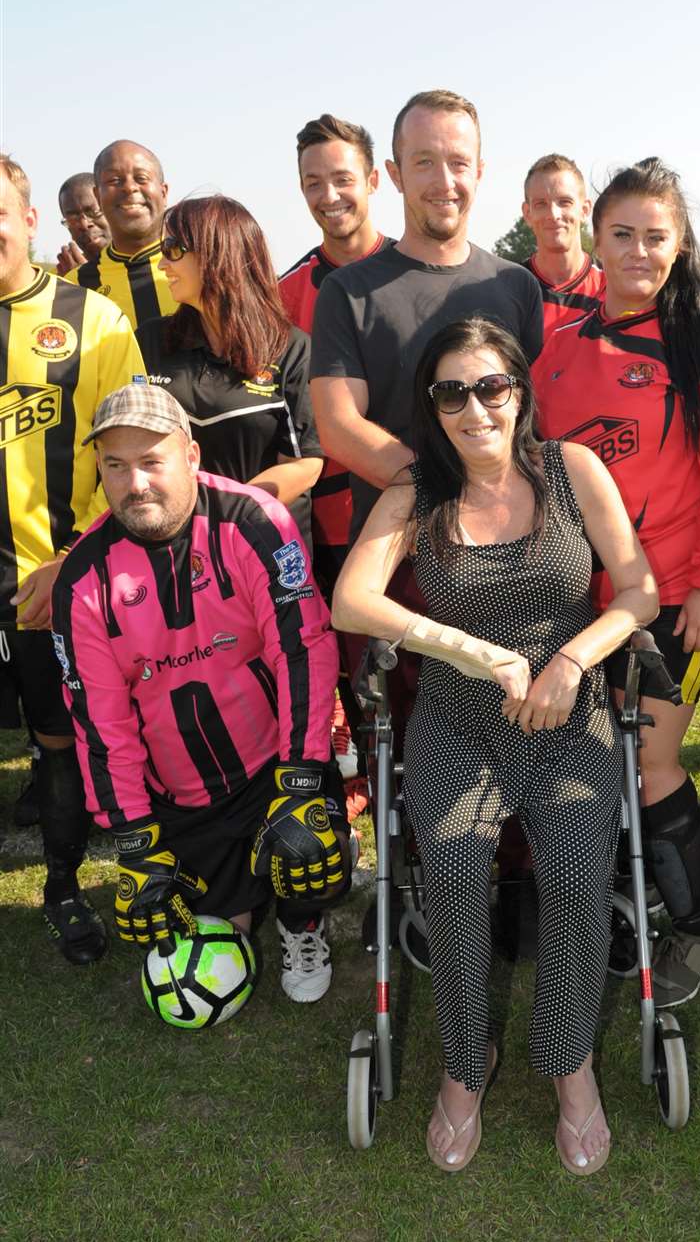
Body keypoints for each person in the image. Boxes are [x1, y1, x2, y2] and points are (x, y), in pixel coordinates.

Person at [333, 316, 657, 1175]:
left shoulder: (572, 470)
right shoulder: (416, 494)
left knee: (580, 869)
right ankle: (465, 1064)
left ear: (519, 390)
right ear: (431, 406)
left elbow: (640, 591)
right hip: (456, 713)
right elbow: (351, 601)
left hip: (565, 706)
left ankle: (570, 1062)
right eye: (451, 392)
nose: (474, 408)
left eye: (491, 386)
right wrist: (470, 649)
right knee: (450, 864)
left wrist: (572, 658)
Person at [535, 158, 700, 1008]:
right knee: (588, 767)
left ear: (679, 243)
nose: (637, 250)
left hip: (671, 597)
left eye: (655, 236)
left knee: (653, 762)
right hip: (575, 603)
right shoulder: (556, 351)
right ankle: (615, 904)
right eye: (621, 234)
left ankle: (697, 928)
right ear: (596, 237)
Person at [51, 385, 350, 1002]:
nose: (135, 484)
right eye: (115, 465)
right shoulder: (81, 579)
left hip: (273, 761)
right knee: (214, 929)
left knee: (310, 863)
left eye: (151, 461)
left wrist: (300, 779)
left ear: (191, 456)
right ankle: (234, 904)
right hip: (184, 791)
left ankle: (304, 923)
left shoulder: (252, 521)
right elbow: (102, 727)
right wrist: (134, 842)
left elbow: (303, 650)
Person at [0, 153, 144, 965]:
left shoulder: (93, 320)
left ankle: (61, 888)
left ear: (27, 221)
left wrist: (70, 560)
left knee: (58, 741)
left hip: (53, 576)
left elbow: (128, 459)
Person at [310, 89, 544, 539]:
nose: (444, 181)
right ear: (395, 175)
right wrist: (448, 499)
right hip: (399, 556)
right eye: (423, 162)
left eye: (458, 163)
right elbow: (339, 427)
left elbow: (533, 420)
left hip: (512, 548)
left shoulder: (517, 287)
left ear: (479, 172)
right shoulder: (348, 292)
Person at [280, 114, 392, 781]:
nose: (329, 195)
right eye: (312, 182)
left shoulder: (419, 271)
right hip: (330, 527)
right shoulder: (285, 293)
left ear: (374, 180)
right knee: (356, 680)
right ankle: (369, 794)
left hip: (423, 515)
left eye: (342, 178)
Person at [136, 195, 323, 549]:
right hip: (175, 551)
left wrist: (225, 519)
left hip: (267, 548)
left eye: (173, 249)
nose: (161, 264)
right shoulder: (150, 342)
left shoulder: (292, 348)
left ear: (216, 253)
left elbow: (306, 465)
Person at [69, 140, 175, 330]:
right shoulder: (74, 287)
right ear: (97, 196)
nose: (129, 188)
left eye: (141, 178)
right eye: (114, 181)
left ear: (164, 192)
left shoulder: (203, 266)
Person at [521, 153, 605, 338]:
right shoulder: (511, 287)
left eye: (564, 202)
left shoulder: (612, 286)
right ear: (527, 213)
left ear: (584, 210)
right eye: (541, 204)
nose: (553, 214)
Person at [56, 172, 108, 277]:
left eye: (93, 212)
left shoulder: (142, 265)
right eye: (73, 218)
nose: (84, 224)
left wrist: (85, 280)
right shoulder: (62, 277)